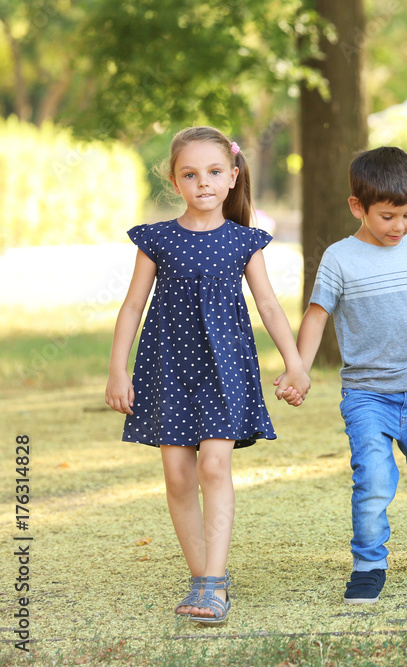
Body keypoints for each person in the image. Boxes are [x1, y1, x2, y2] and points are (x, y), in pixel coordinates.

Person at [105, 126, 310, 625]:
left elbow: (268, 304)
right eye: (190, 174)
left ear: (233, 176)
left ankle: (214, 582)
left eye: (215, 172)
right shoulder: (156, 239)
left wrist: (295, 362)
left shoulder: (245, 241)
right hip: (167, 368)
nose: (203, 183)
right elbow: (132, 306)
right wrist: (117, 369)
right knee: (177, 475)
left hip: (225, 368)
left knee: (213, 467)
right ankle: (203, 578)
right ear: (175, 182)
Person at [278, 146, 407, 605]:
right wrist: (299, 369)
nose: (399, 227)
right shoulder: (339, 259)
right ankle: (369, 562)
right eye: (388, 216)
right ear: (358, 207)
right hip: (367, 396)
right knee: (373, 481)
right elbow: (315, 317)